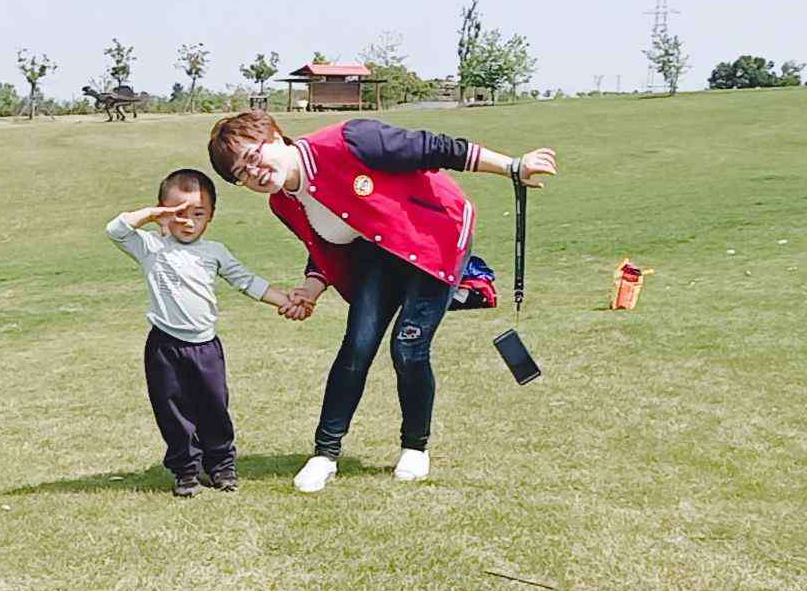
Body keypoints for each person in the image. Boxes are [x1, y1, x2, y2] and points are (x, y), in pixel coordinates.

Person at [207, 111, 558, 493]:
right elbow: (325, 244)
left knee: (408, 348)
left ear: (275, 136)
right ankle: (324, 455)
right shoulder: (283, 203)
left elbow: (436, 148)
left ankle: (415, 447)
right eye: (240, 173)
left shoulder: (350, 139)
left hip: (434, 239)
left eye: (253, 157)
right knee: (356, 348)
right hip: (377, 252)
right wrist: (312, 286)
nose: (253, 173)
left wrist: (512, 166)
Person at [107, 168, 295, 497]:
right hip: (164, 346)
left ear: (210, 216)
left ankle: (221, 465)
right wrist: (152, 216)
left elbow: (247, 281)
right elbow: (116, 230)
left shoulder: (215, 252)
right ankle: (185, 470)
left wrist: (284, 301)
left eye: (198, 214)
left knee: (213, 406)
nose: (188, 222)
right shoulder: (150, 246)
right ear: (164, 211)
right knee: (173, 410)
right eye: (179, 213)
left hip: (206, 347)